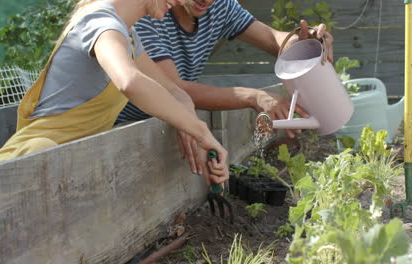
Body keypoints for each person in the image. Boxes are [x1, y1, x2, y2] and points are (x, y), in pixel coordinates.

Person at [0, 0, 229, 185]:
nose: (179, 1)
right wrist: (201, 131)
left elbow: (175, 91)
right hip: (31, 162)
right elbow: (130, 81)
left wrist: (191, 130)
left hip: (66, 166)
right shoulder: (100, 22)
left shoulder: (129, 36)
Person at [116, 0, 334, 176]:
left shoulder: (219, 6)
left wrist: (302, 43)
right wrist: (253, 96)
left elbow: (272, 38)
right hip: (123, 130)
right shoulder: (150, 13)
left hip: (175, 120)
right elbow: (174, 89)